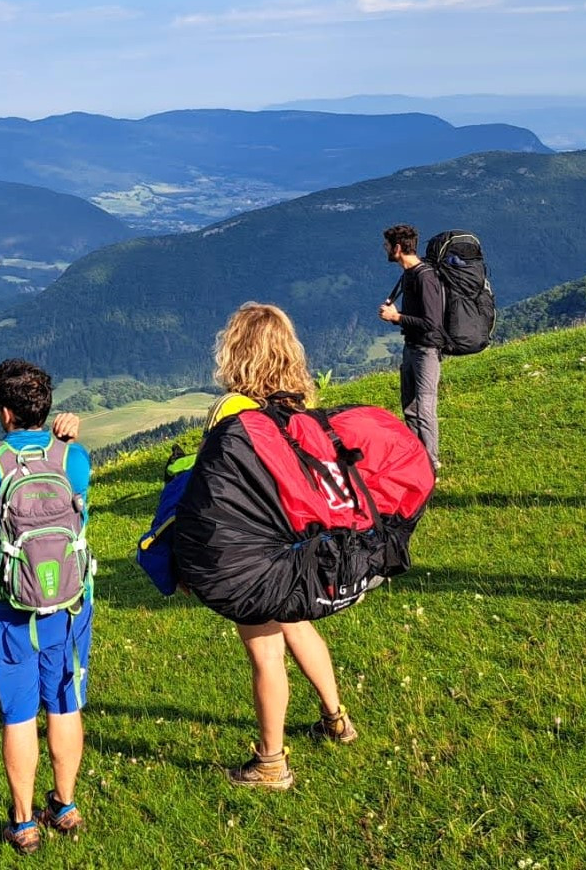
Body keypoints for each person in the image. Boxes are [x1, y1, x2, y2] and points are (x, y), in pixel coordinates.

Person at [200, 303, 358, 790]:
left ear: (236, 350)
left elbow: (211, 492)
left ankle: (271, 763)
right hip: (300, 546)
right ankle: (336, 720)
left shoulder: (231, 413)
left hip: (255, 552)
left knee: (265, 651)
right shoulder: (297, 405)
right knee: (298, 625)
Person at [0, 359, 90, 854]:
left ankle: (24, 822)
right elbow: (80, 515)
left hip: (9, 606)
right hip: (71, 604)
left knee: (17, 713)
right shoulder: (74, 457)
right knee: (64, 701)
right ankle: (66, 805)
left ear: (6, 413)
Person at [379, 224, 445, 472]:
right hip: (412, 347)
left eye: (387, 245)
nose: (385, 249)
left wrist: (397, 318)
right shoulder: (409, 274)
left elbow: (432, 322)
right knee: (410, 406)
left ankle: (432, 463)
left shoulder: (424, 277)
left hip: (426, 350)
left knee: (425, 407)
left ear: (397, 248)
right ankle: (418, 459)